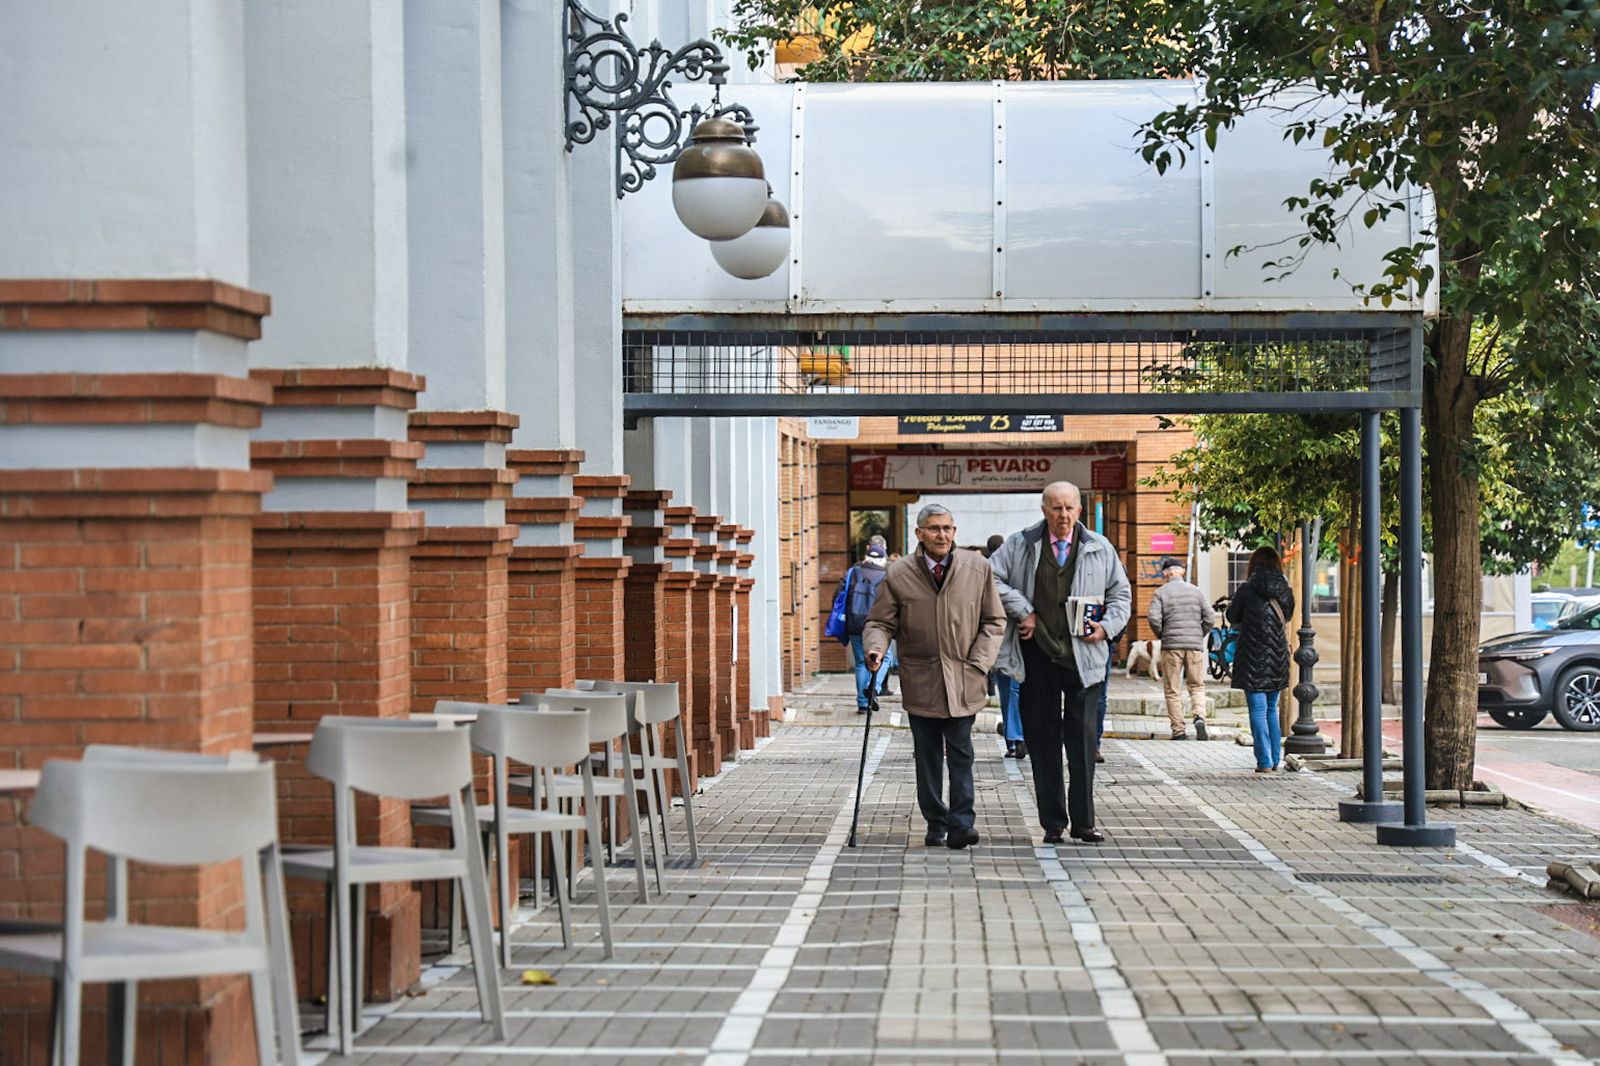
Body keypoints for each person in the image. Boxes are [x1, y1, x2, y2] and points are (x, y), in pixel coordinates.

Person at [989, 482, 1131, 845]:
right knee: (1043, 741)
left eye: (1069, 508)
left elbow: (1121, 595)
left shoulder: (1100, 548)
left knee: (1082, 742)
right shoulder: (1021, 544)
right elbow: (990, 576)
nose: (1063, 515)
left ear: (1079, 511)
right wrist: (1023, 609)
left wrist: (1107, 627)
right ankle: (1053, 822)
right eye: (1056, 508)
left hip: (1085, 659)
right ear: (1044, 510)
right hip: (1036, 655)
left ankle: (1084, 823)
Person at [863, 504, 1005, 850]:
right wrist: (875, 649)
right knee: (927, 757)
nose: (942, 535)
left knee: (961, 753)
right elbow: (880, 622)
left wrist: (979, 663)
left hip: (963, 678)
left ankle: (961, 824)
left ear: (954, 532)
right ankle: (935, 821)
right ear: (919, 533)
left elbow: (994, 621)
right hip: (921, 678)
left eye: (947, 528)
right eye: (934, 529)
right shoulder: (899, 573)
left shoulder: (977, 567)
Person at [1227, 546, 1295, 773]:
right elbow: (1289, 615)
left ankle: (1264, 761)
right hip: (1277, 657)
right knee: (1271, 709)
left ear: (1253, 564)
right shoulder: (1284, 589)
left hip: (1252, 655)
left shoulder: (1247, 589)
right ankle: (1274, 759)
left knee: (1257, 710)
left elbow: (1231, 616)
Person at [1148, 557, 1216, 741]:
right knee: (1196, 685)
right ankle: (1199, 716)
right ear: (1182, 571)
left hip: (1171, 647)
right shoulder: (1196, 592)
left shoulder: (1160, 593)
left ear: (1165, 573)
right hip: (1194, 646)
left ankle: (1179, 731)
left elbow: (1153, 618)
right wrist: (1197, 634)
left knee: (1172, 689)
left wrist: (1164, 634)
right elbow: (1210, 617)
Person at [835, 543, 891, 713]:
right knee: (885, 658)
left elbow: (838, 597)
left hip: (854, 623)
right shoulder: (885, 575)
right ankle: (873, 687)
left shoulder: (852, 572)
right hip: (877, 626)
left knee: (860, 662)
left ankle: (862, 703)